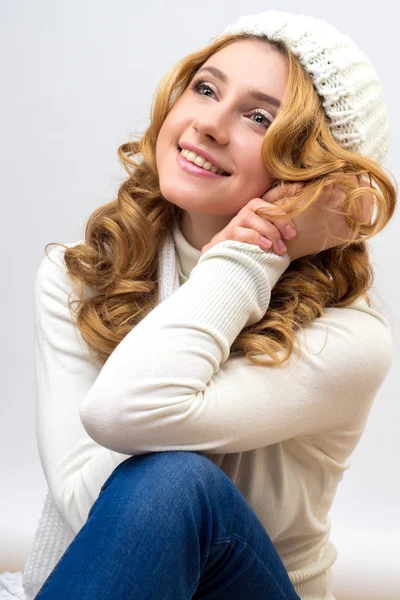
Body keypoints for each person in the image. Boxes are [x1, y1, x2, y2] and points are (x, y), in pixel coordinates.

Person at [0, 9, 396, 600]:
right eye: (205, 88)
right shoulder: (76, 277)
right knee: (163, 479)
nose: (209, 124)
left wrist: (253, 251)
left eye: (260, 118)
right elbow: (89, 512)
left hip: (248, 586)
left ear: (315, 175)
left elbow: (126, 415)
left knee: (172, 479)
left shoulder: (352, 339)